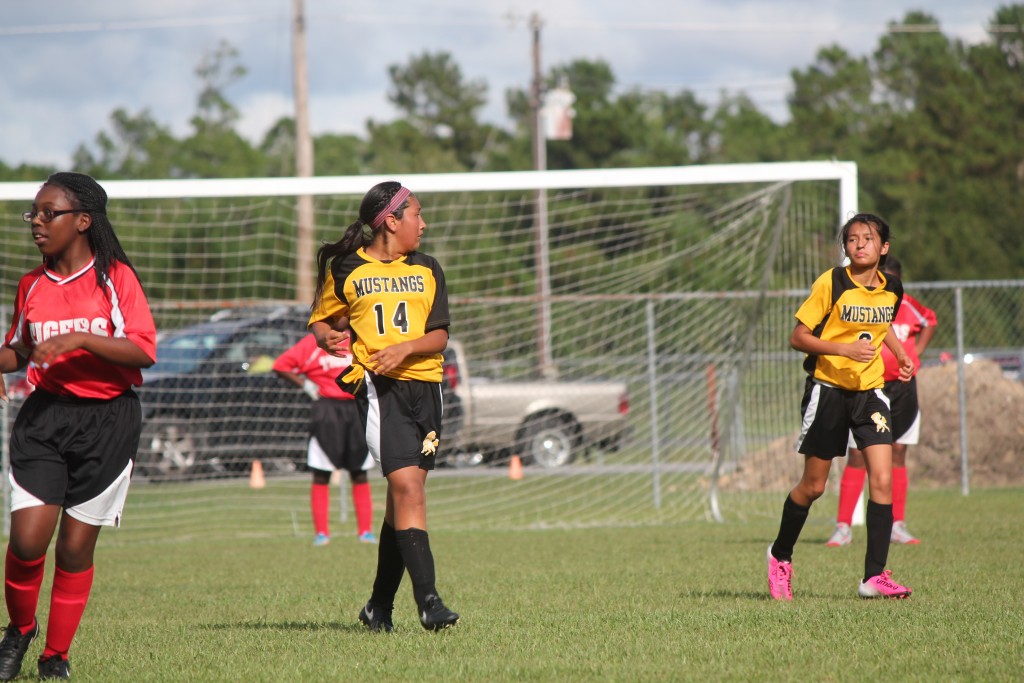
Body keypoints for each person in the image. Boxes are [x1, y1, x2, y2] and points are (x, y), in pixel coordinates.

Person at [0, 173, 157, 679]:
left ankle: (56, 656)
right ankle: (20, 629)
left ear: (83, 221)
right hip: (45, 418)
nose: (38, 223)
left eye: (50, 213)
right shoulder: (32, 285)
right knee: (26, 541)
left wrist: (80, 341)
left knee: (73, 548)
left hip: (108, 422)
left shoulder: (117, 280)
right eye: (34, 214)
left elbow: (143, 350)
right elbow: (21, 350)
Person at [308, 181, 459, 632]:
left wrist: (407, 348)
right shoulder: (347, 268)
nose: (424, 223)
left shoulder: (428, 268)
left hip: (427, 392)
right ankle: (429, 602)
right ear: (391, 221)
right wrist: (327, 336)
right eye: (418, 214)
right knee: (409, 491)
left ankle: (378, 606)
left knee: (403, 500)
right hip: (379, 390)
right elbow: (323, 321)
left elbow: (440, 336)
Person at [767, 213, 914, 601]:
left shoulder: (892, 288)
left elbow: (880, 330)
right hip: (827, 390)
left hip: (870, 392)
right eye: (852, 239)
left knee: (881, 478)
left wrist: (899, 353)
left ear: (884, 247)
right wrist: (842, 349)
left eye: (868, 238)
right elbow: (798, 337)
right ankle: (780, 556)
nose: (859, 244)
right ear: (845, 247)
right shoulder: (831, 282)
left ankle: (874, 576)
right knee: (813, 486)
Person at [827, 256, 937, 548]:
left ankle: (896, 525)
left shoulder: (907, 304)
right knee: (858, 455)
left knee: (898, 453)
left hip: (902, 389)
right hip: (868, 387)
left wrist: (915, 354)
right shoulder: (862, 305)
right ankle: (843, 527)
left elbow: (930, 320)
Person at [272, 333, 378, 546]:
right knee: (321, 473)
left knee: (359, 471)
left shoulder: (361, 335)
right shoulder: (315, 341)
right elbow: (280, 365)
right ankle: (322, 533)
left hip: (357, 408)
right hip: (327, 409)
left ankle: (365, 532)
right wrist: (305, 385)